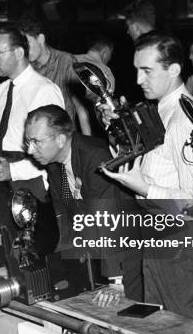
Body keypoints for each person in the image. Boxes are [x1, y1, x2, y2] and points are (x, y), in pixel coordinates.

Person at [100, 32, 193, 323]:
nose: (139, 80)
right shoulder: (161, 110)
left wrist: (145, 188)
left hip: (183, 239)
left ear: (174, 69)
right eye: (137, 70)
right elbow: (146, 160)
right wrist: (115, 130)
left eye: (147, 71)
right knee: (160, 328)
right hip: (160, 230)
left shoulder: (184, 118)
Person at [25, 105, 143, 301]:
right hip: (96, 248)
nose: (30, 150)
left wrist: (116, 281)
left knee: (130, 312)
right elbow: (65, 218)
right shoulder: (55, 165)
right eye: (28, 142)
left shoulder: (94, 155)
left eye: (36, 142)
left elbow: (108, 220)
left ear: (61, 139)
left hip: (126, 247)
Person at [0, 27, 64, 194]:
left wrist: (13, 171)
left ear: (19, 53)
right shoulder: (4, 88)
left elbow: (53, 149)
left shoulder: (44, 90)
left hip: (30, 183)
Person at [18, 18, 92, 135]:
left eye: (28, 43)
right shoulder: (27, 68)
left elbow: (81, 107)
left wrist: (88, 143)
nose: (25, 50)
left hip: (63, 138)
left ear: (41, 39)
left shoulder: (66, 61)